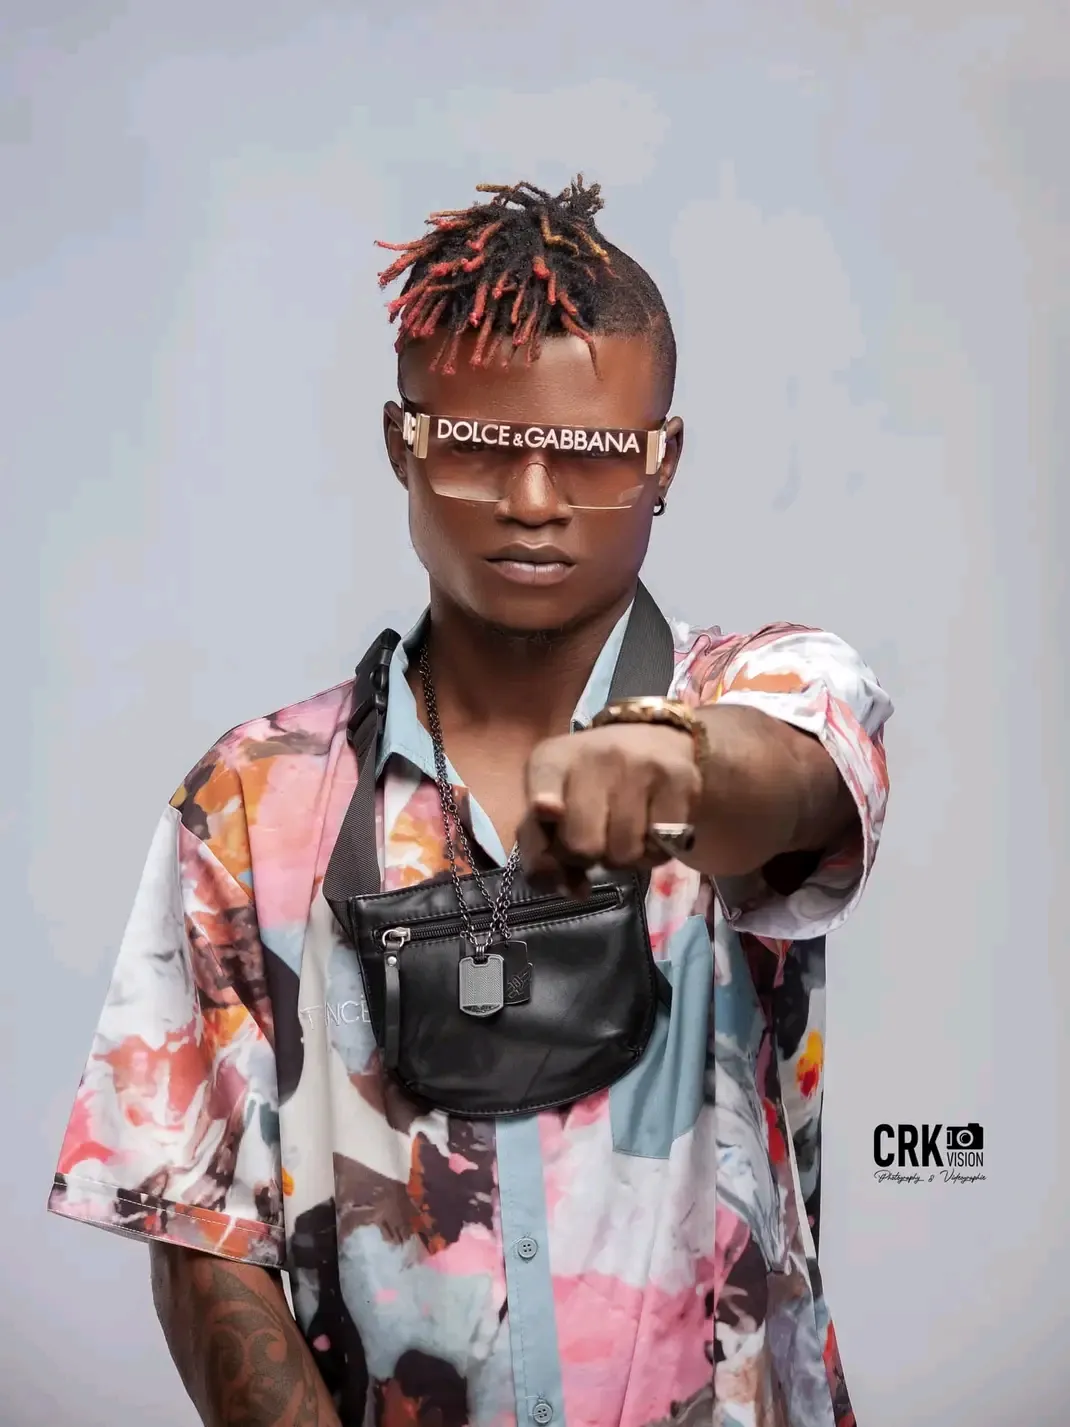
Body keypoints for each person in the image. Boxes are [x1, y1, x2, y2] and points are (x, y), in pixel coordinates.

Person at [48, 175, 892, 1427]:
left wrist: (674, 768)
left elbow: (796, 780)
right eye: (478, 443)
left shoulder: (767, 687)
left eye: (590, 454)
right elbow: (200, 1230)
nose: (534, 499)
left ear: (662, 460)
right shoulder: (249, 803)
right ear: (403, 442)